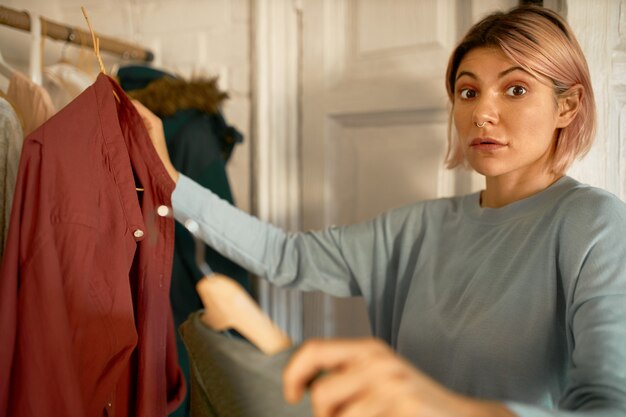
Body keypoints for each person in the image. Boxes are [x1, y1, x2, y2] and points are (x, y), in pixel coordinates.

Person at [133, 5, 626, 417]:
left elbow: (608, 407)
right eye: (468, 91)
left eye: (515, 89)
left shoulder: (594, 224)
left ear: (568, 105)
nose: (482, 113)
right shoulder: (417, 228)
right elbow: (286, 255)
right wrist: (169, 181)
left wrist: (438, 405)